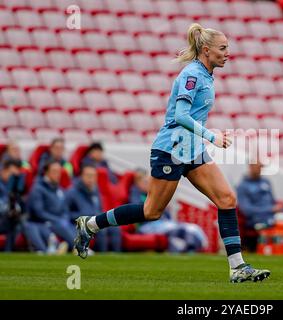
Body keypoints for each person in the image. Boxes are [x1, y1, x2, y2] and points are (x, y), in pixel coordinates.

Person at [74, 23, 270, 283]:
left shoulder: (207, 74)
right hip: (171, 149)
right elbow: (180, 115)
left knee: (226, 199)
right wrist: (213, 136)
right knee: (151, 211)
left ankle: (237, 267)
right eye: (223, 48)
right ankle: (90, 225)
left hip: (192, 150)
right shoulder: (192, 74)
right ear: (206, 49)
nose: (228, 52)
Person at [129, 170, 208, 253]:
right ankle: (189, 249)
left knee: (193, 227)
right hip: (148, 226)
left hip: (163, 223)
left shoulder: (151, 194)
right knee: (182, 230)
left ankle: (191, 248)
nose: (148, 184)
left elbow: (166, 214)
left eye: (148, 181)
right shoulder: (136, 193)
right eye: (145, 182)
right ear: (138, 183)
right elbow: (139, 211)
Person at [66, 165, 121, 252]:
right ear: (81, 176)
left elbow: (99, 209)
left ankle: (116, 257)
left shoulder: (95, 191)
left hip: (95, 221)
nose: (91, 179)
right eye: (88, 176)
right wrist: (84, 215)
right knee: (101, 230)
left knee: (115, 229)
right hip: (80, 224)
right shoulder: (71, 192)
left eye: (94, 176)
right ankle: (102, 258)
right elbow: (66, 214)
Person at [27, 160, 75, 251]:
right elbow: (39, 212)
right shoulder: (38, 188)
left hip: (58, 221)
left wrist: (65, 217)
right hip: (42, 222)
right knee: (61, 224)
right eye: (54, 171)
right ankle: (79, 248)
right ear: (46, 172)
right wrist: (57, 219)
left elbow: (65, 209)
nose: (57, 174)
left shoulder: (59, 189)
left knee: (70, 224)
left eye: (59, 172)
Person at [237, 161, 283, 230]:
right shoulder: (243, 186)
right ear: (251, 167)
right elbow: (247, 210)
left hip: (271, 217)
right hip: (255, 220)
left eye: (261, 167)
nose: (260, 169)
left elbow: (272, 201)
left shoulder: (266, 182)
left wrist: (277, 208)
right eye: (258, 167)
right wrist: (270, 209)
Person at [0, 159, 25, 251]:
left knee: (18, 223)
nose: (13, 178)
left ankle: (8, 252)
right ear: (3, 171)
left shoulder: (15, 189)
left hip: (9, 221)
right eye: (11, 174)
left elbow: (22, 208)